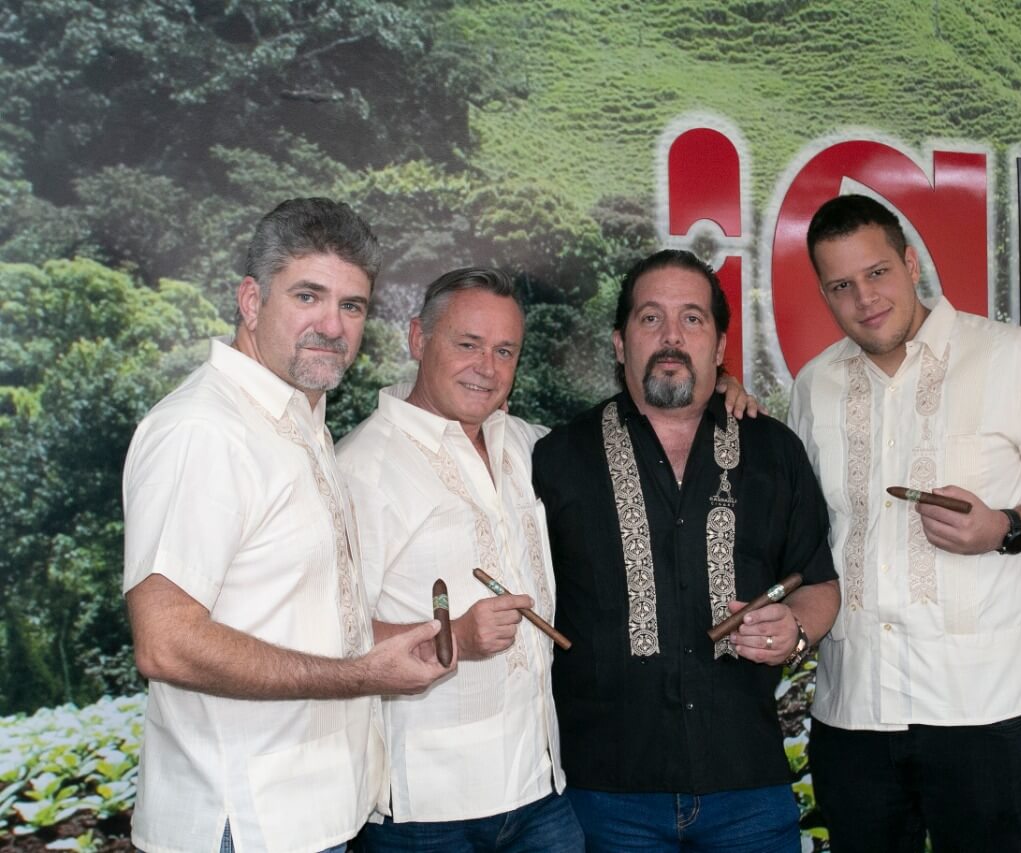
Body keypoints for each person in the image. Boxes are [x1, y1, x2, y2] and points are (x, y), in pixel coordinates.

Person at [788, 194, 1021, 853]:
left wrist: (1007, 527)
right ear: (824, 294)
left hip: (983, 704)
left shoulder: (1012, 358)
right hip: (853, 705)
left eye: (878, 272)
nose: (865, 298)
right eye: (841, 286)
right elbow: (803, 528)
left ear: (911, 263)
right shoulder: (813, 385)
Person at [122, 198, 455, 853]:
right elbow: (166, 643)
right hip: (244, 826)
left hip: (314, 817)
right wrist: (362, 676)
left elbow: (291, 614)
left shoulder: (300, 419)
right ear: (251, 301)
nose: (332, 325)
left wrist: (395, 644)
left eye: (352, 306)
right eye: (308, 296)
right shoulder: (203, 429)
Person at [532, 249, 841, 853]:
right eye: (651, 318)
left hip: (747, 788)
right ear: (619, 343)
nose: (671, 336)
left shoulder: (774, 450)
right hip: (605, 796)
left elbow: (818, 582)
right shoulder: (557, 458)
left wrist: (797, 629)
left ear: (720, 346)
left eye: (692, 319)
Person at [336, 268, 584, 852]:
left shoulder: (523, 442)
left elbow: (626, 437)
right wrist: (454, 640)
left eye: (505, 351)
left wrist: (718, 392)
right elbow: (331, 635)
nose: (487, 368)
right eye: (468, 344)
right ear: (418, 338)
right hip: (429, 811)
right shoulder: (361, 469)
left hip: (541, 789)